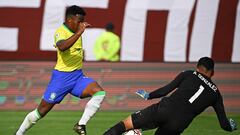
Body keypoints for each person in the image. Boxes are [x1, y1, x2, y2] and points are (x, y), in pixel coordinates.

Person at [16, 5, 106, 135]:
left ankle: (80, 125)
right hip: (61, 78)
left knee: (99, 93)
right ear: (70, 20)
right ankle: (19, 133)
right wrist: (79, 32)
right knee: (40, 112)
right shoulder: (61, 31)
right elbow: (62, 47)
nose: (82, 24)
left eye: (82, 21)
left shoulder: (76, 31)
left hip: (77, 76)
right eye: (79, 21)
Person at [103, 57, 237, 135]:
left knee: (126, 124)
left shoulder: (189, 74)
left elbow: (165, 91)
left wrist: (148, 95)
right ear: (212, 72)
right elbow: (224, 124)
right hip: (179, 124)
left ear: (197, 67)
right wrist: (232, 126)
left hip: (164, 110)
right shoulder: (216, 94)